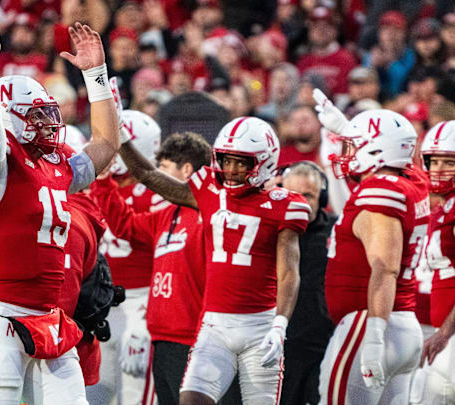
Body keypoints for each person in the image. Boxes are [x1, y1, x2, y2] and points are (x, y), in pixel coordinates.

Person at [0, 13, 120, 404]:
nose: (49, 124)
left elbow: (107, 144)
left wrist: (96, 74)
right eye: (36, 116)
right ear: (10, 119)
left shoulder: (56, 163)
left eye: (50, 114)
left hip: (49, 317)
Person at [117, 116, 310, 404]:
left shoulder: (284, 205)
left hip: (260, 327)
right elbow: (147, 174)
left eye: (241, 162)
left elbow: (289, 272)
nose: (230, 170)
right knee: (191, 400)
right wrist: (118, 130)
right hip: (214, 326)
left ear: (264, 161)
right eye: (226, 160)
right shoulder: (208, 190)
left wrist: (280, 323)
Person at [313, 90, 427, 404]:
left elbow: (385, 267)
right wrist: (343, 127)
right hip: (404, 325)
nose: (346, 154)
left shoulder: (380, 192)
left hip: (371, 324)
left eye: (353, 146)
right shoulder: (412, 179)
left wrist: (374, 336)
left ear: (377, 151)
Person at [91, 131, 211, 405]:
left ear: (187, 170)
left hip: (193, 338)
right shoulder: (166, 215)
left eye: (165, 169)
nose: (158, 177)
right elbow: (125, 225)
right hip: (162, 335)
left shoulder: (210, 215)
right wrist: (103, 181)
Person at [93, 108, 165, 405]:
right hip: (102, 301)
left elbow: (131, 230)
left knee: (135, 392)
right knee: (95, 388)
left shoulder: (155, 194)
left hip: (141, 302)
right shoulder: (96, 185)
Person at [278, 161, 336, 405]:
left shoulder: (338, 231)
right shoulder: (269, 230)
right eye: (293, 195)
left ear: (321, 198)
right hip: (279, 346)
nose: (300, 201)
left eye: (308, 195)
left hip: (323, 347)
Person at [411, 120, 455, 404]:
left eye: (448, 162)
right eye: (433, 161)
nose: (438, 169)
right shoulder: (446, 205)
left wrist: (445, 332)